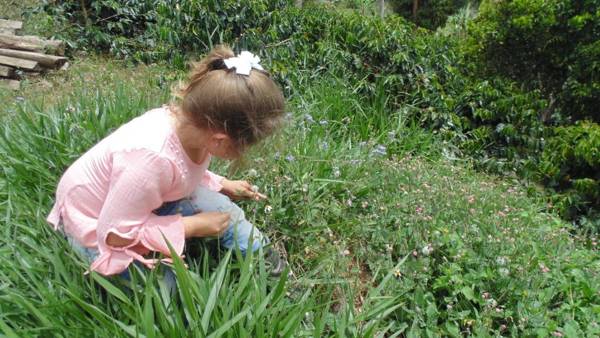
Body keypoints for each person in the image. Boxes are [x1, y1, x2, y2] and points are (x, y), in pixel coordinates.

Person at [46, 45, 287, 279]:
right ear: (219, 140)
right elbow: (114, 235)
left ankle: (271, 270)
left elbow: (183, 170)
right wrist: (190, 226)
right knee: (167, 288)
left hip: (132, 205)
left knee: (226, 211)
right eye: (247, 146)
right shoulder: (151, 158)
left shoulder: (192, 128)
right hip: (97, 223)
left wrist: (223, 183)